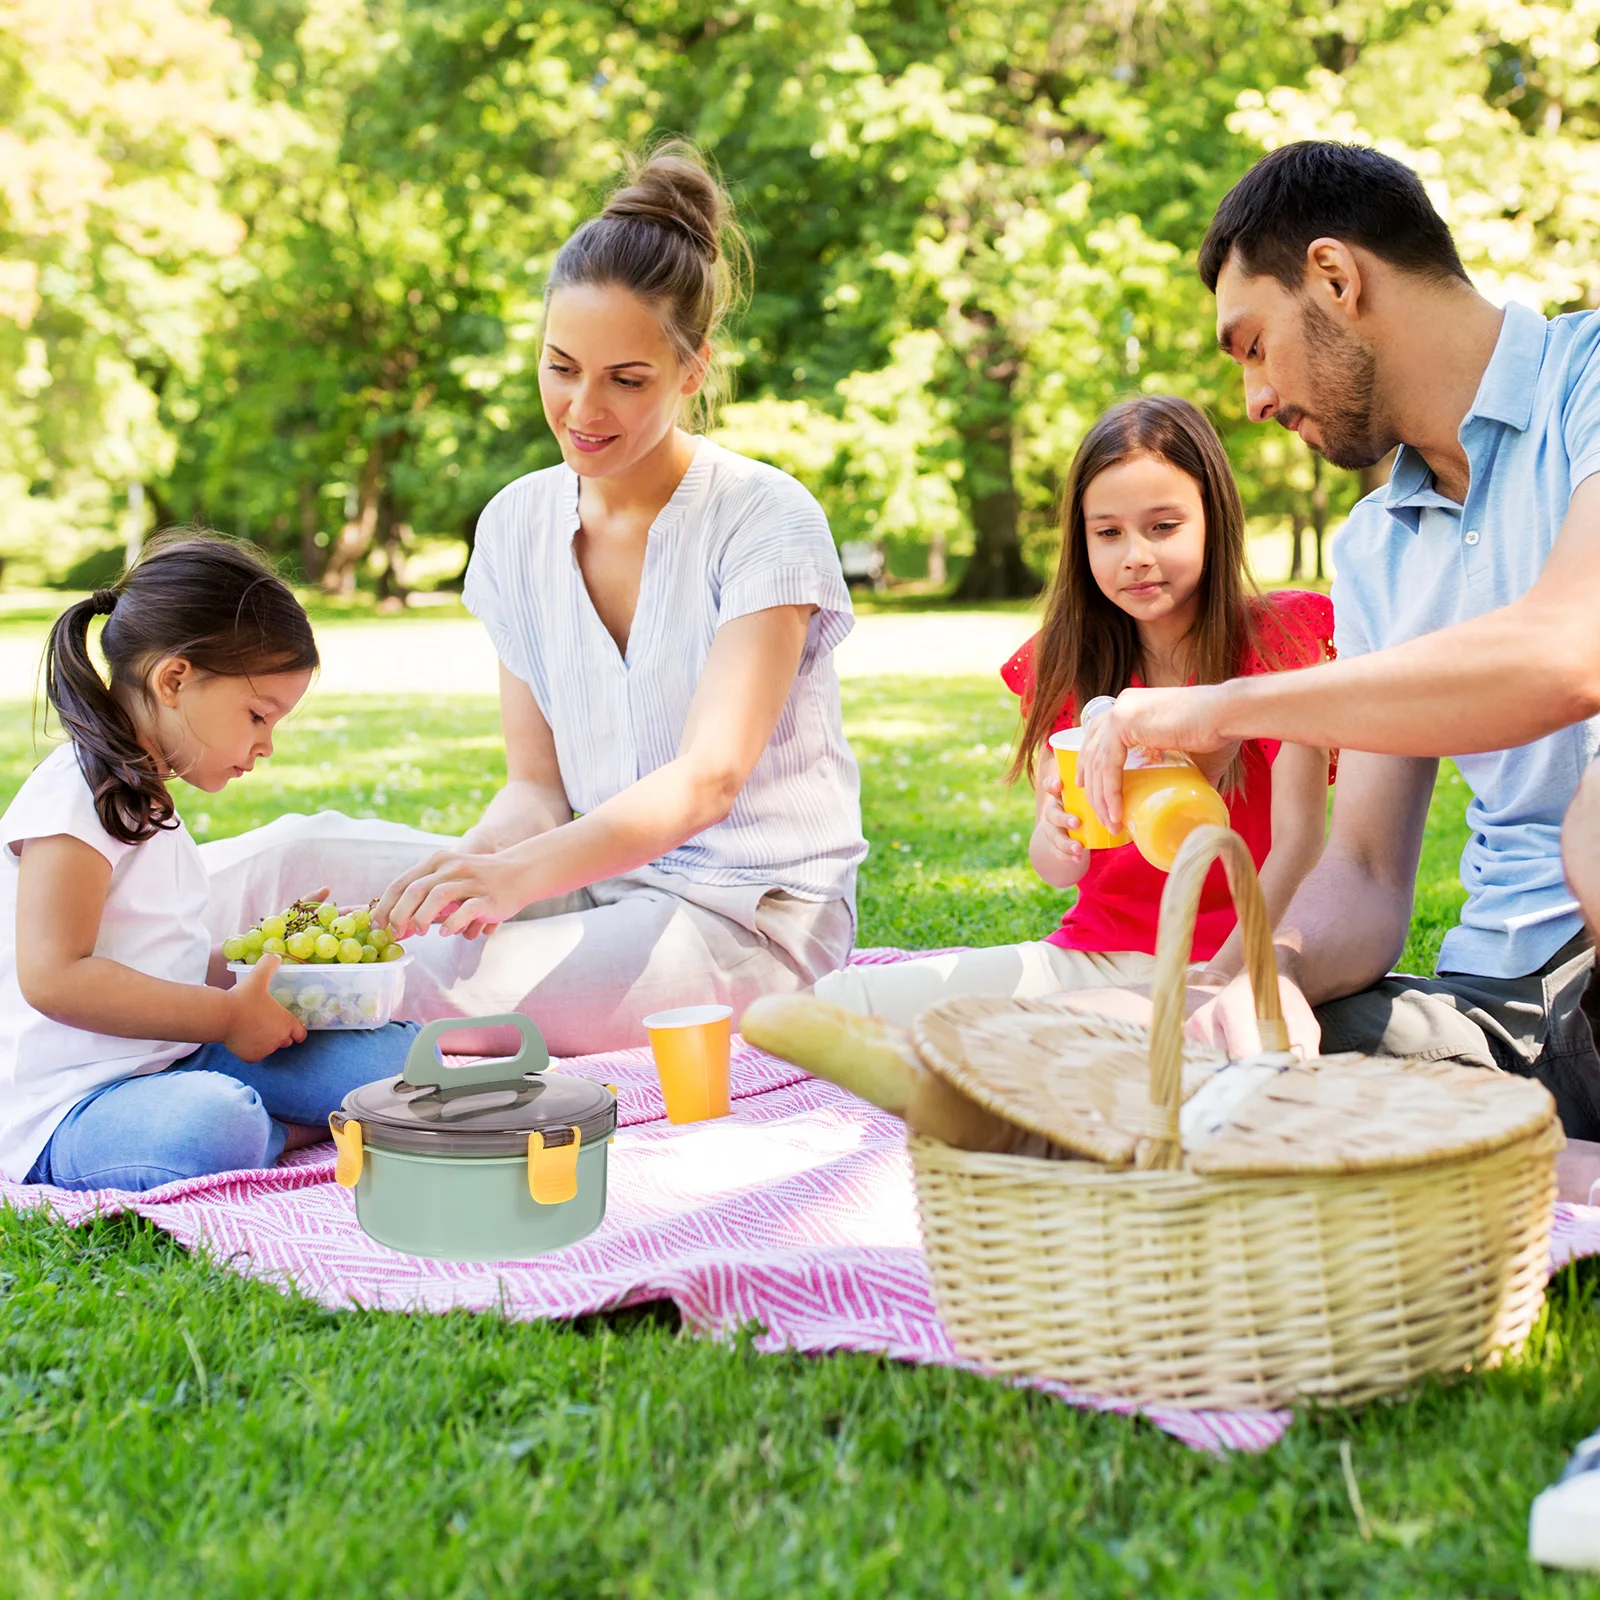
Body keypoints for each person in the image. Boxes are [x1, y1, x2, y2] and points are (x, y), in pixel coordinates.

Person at [202, 142, 866, 1056]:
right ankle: (74, 959)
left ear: (692, 370)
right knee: (291, 857)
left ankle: (181, 1036)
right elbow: (536, 788)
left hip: (743, 917)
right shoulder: (516, 524)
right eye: (561, 367)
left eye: (626, 379)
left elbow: (709, 779)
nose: (583, 407)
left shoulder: (765, 517)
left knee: (420, 980)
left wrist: (512, 885)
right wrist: (470, 870)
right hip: (590, 881)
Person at [1074, 141, 1600, 1146]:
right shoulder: (1371, 550)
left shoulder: (1589, 382)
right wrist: (1237, 990)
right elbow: (1359, 864)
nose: (1254, 403)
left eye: (1252, 345)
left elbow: (1565, 655)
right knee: (1231, 1071)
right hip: (1494, 1013)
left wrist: (1220, 705)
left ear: (1334, 276)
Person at [816, 395, 1332, 1025]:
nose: (1135, 554)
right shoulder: (1066, 665)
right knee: (839, 1002)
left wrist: (1223, 974)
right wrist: (1055, 840)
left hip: (1243, 964)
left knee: (1037, 1036)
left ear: (1213, 521)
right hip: (1094, 958)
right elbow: (1056, 867)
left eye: (1163, 527)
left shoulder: (1279, 644)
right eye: (1108, 532)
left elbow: (1302, 847)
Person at [1, 536, 415, 1192]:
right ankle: (283, 1131)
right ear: (174, 680)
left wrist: (276, 963)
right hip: (75, 1103)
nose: (267, 745)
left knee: (399, 1058)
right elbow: (55, 979)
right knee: (213, 1127)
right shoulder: (73, 797)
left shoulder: (146, 796)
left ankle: (282, 1122)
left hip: (176, 1057)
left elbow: (167, 960)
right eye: (258, 715)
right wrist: (225, 1017)